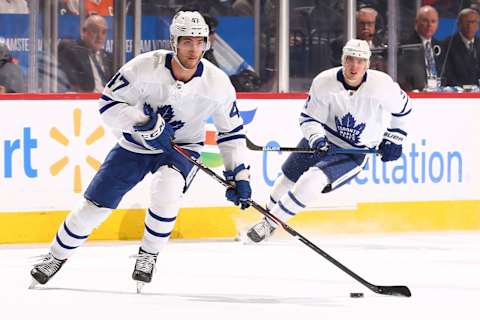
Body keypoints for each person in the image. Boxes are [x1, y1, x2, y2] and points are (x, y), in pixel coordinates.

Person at [29, 11, 251, 291]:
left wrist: (239, 174)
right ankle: (55, 256)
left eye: (199, 42)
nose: (194, 49)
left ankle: (148, 255)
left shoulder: (218, 84)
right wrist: (144, 124)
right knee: (93, 208)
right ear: (174, 42)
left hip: (182, 149)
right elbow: (108, 104)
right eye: (187, 42)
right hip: (135, 146)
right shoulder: (144, 67)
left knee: (167, 192)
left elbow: (231, 132)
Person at [246, 39, 412, 243]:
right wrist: (316, 138)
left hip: (354, 152)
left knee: (312, 180)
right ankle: (266, 222)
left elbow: (403, 110)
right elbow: (309, 118)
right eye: (350, 59)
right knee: (288, 178)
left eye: (360, 61)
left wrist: (393, 138)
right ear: (343, 60)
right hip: (324, 137)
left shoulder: (381, 85)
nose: (354, 66)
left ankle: (269, 225)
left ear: (368, 64)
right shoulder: (324, 81)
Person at [58, 14, 114, 92]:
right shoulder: (72, 50)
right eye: (95, 31)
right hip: (85, 101)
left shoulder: (108, 57)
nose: (100, 36)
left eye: (103, 32)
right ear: (84, 31)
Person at [397, 5, 443, 91]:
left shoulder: (441, 46)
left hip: (439, 93)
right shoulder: (405, 45)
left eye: (433, 21)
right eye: (425, 21)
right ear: (416, 22)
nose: (429, 25)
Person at [331, 7, 386, 71]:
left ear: (375, 25)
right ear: (355, 24)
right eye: (362, 24)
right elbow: (339, 67)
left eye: (370, 24)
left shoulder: (381, 42)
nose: (365, 27)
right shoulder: (341, 43)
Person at [443, 8, 480, 87]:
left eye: (473, 22)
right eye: (466, 22)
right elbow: (447, 74)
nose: (470, 26)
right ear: (458, 24)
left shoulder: (478, 43)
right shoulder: (448, 44)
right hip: (457, 92)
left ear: (478, 25)